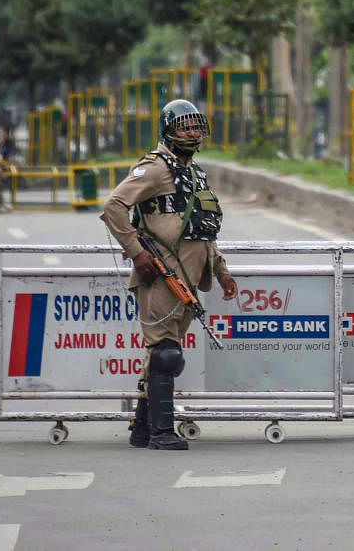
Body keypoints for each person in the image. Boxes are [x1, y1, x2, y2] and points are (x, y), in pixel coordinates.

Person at [102, 99, 238, 450]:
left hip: (190, 279)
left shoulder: (196, 173)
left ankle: (143, 430)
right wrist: (137, 252)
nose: (192, 132)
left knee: (164, 353)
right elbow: (114, 206)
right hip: (161, 276)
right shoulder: (155, 168)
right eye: (184, 126)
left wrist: (221, 271)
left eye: (196, 126)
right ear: (168, 130)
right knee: (165, 353)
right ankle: (162, 432)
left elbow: (203, 230)